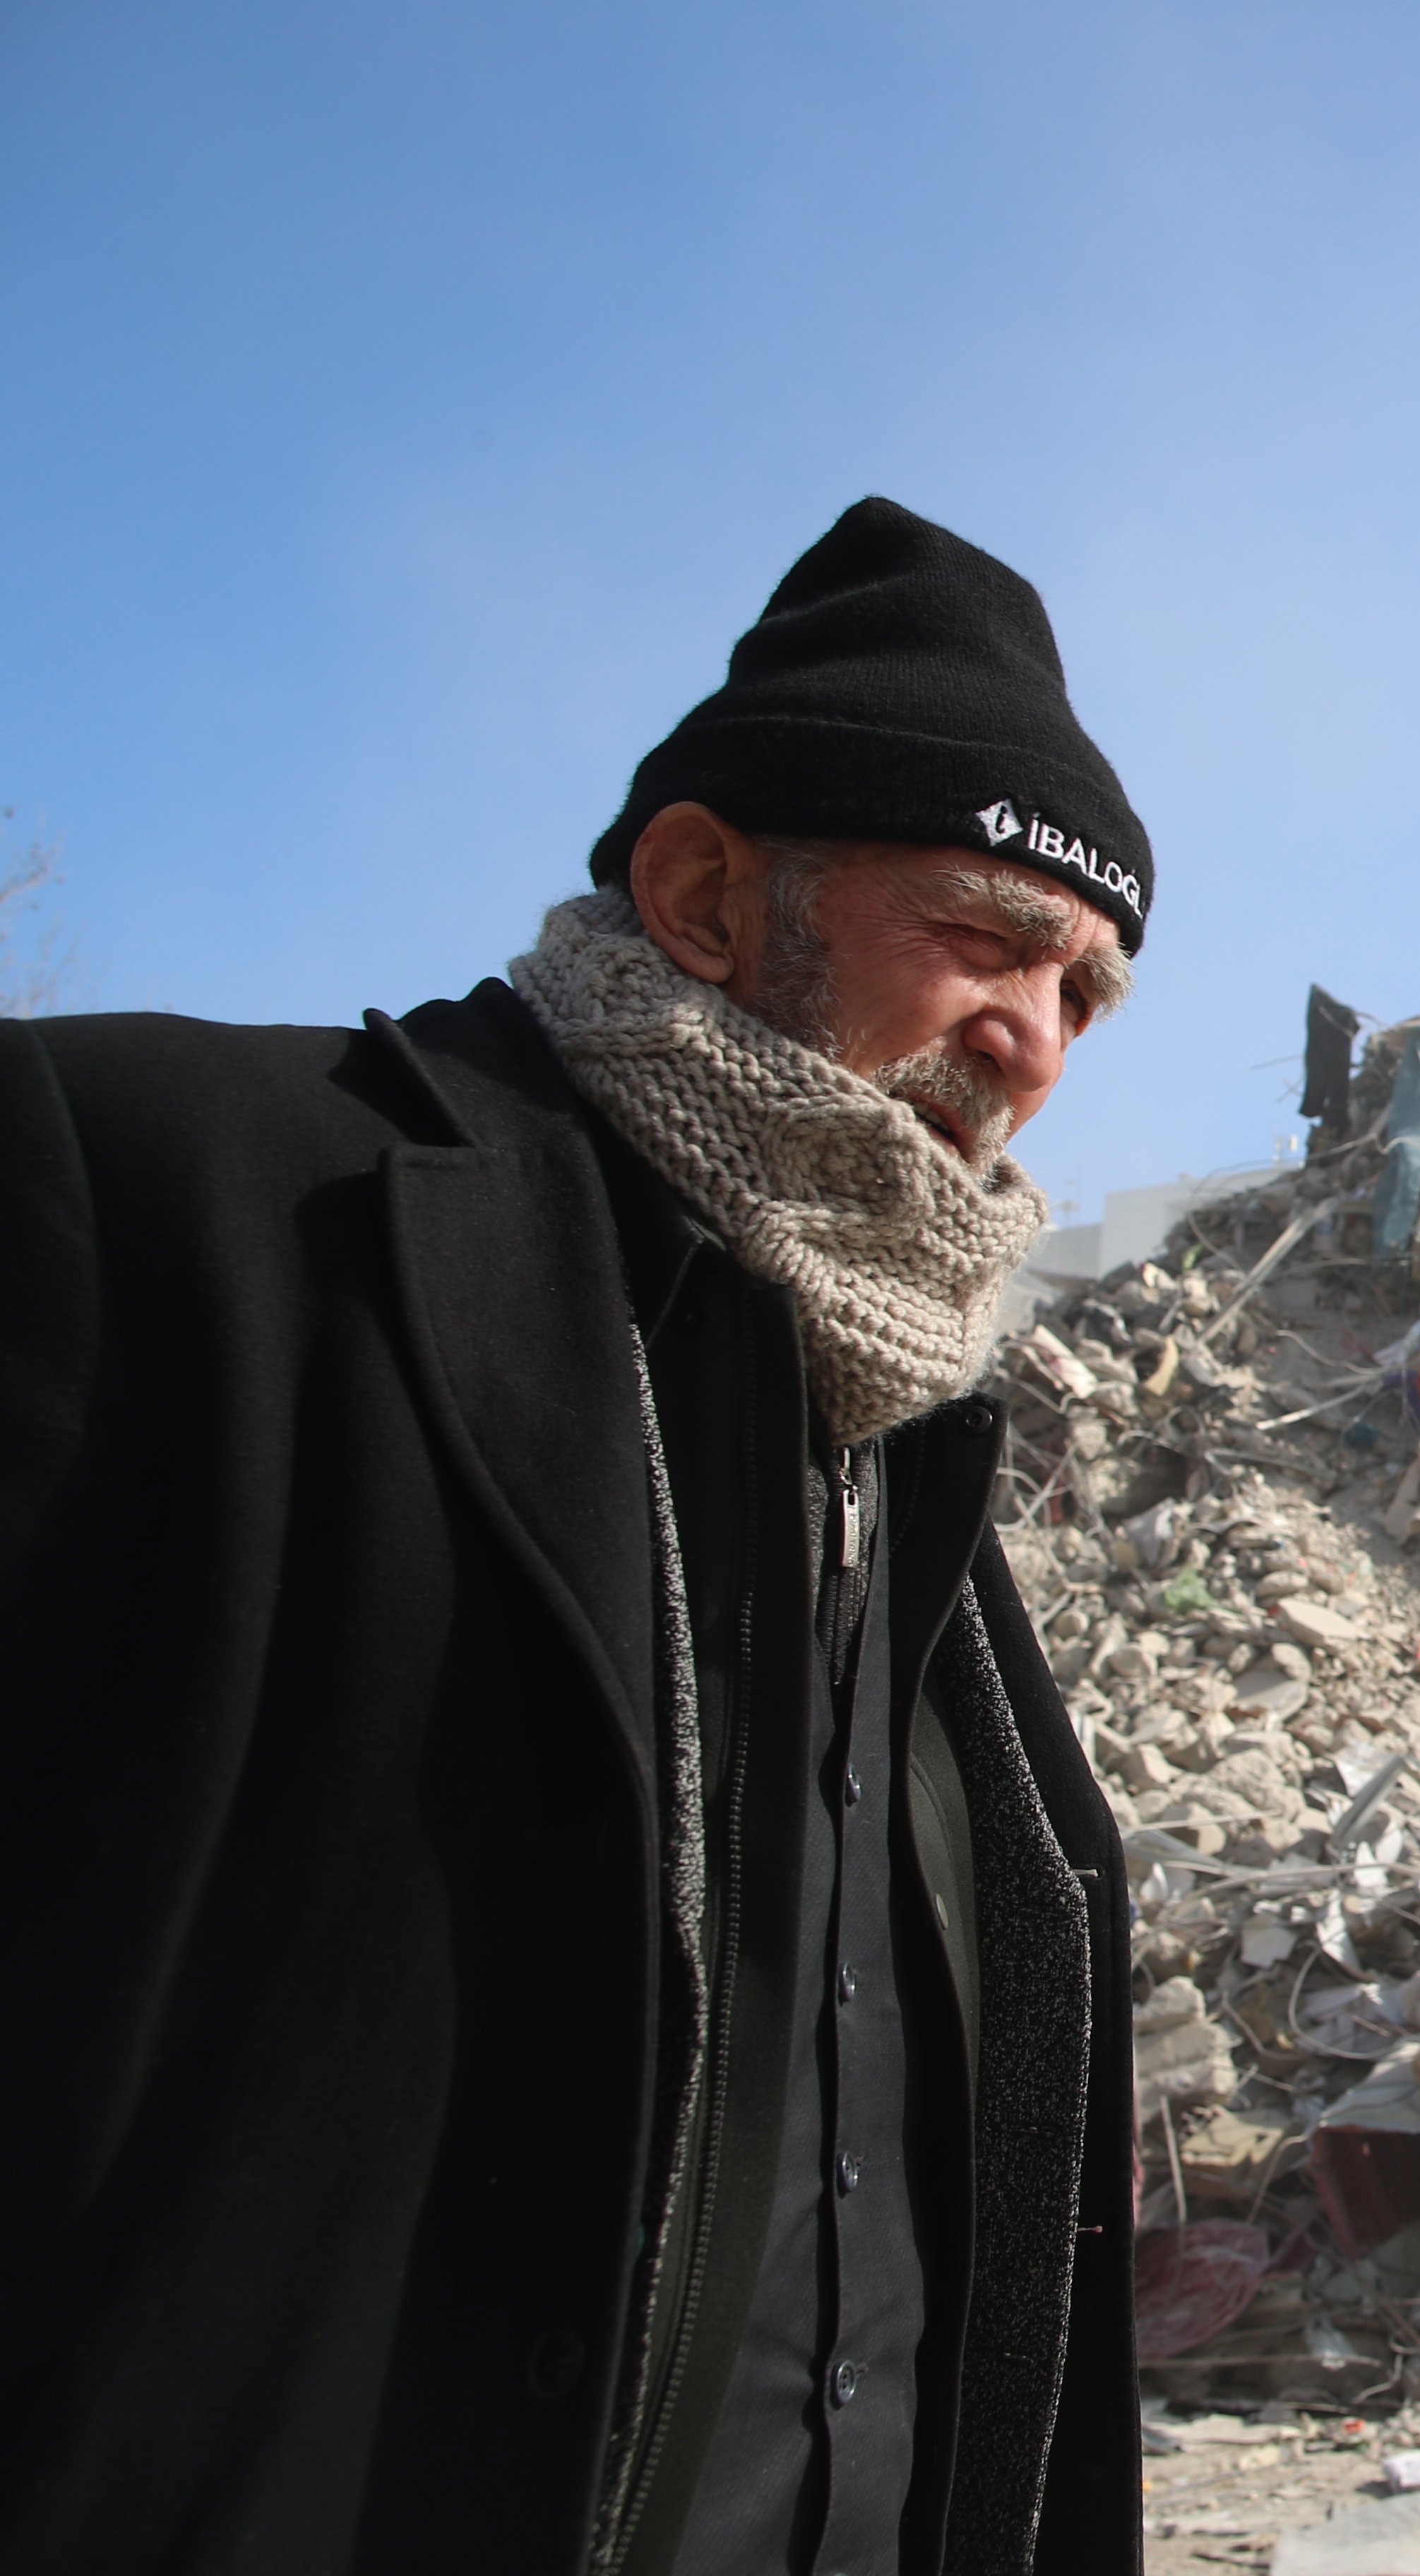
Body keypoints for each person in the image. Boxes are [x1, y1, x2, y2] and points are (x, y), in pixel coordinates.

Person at [0, 499, 1157, 2575]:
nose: (1039, 1047)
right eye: (986, 936)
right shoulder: (173, 1208)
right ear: (708, 893)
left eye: (1087, 991)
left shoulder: (912, 1459)